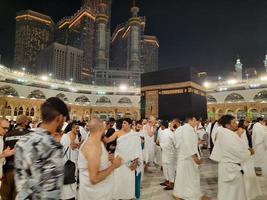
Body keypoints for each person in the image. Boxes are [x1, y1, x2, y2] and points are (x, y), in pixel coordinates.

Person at [15, 97, 69, 199]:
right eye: (64, 119)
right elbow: (51, 192)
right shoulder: (52, 146)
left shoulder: (23, 140)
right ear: (59, 118)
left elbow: (20, 179)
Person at [210, 115, 254, 200]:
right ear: (227, 125)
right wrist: (249, 152)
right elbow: (237, 152)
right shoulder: (226, 135)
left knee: (231, 192)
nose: (236, 124)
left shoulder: (227, 133)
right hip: (230, 169)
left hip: (230, 168)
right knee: (231, 193)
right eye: (233, 122)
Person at [78, 118, 122, 200]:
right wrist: (114, 166)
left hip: (101, 194)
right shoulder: (92, 147)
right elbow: (94, 179)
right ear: (101, 128)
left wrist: (107, 159)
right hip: (95, 195)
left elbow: (97, 162)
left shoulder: (98, 143)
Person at [173, 116, 209, 200]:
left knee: (183, 177)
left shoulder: (183, 128)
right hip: (188, 157)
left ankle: (179, 194)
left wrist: (197, 142)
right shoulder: (188, 129)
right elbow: (188, 144)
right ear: (191, 120)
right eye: (195, 121)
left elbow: (185, 142)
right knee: (191, 178)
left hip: (184, 156)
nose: (196, 122)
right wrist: (195, 158)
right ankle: (192, 195)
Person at [1, 115, 31, 200]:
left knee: (5, 196)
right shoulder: (31, 134)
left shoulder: (7, 134)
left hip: (8, 169)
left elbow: (4, 152)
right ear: (25, 122)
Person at [112, 118, 142, 200]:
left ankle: (128, 196)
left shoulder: (134, 135)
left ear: (130, 124)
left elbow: (137, 148)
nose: (123, 124)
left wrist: (136, 161)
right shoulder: (118, 133)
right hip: (119, 159)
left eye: (125, 123)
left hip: (129, 160)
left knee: (129, 178)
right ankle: (119, 195)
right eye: (122, 123)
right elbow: (110, 140)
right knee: (119, 177)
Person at [237, 120, 262, 200]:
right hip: (245, 151)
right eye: (246, 122)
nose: (247, 124)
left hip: (247, 150)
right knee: (247, 168)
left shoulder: (244, 129)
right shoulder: (241, 129)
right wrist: (247, 149)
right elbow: (239, 140)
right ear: (242, 123)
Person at [60, 122, 83, 200]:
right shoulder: (68, 135)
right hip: (70, 159)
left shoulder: (76, 135)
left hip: (74, 158)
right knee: (71, 176)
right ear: (72, 128)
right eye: (76, 128)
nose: (77, 129)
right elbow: (72, 146)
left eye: (78, 128)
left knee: (73, 176)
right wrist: (80, 143)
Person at [157, 120, 176, 190]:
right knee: (165, 167)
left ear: (162, 126)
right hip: (165, 152)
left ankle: (172, 183)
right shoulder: (167, 132)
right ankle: (167, 180)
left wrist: (159, 144)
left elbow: (174, 142)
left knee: (170, 168)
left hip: (170, 153)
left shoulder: (170, 133)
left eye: (161, 125)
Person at [0, 118, 14, 188]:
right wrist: (3, 154)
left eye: (7, 128)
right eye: (4, 128)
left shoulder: (2, 138)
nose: (6, 130)